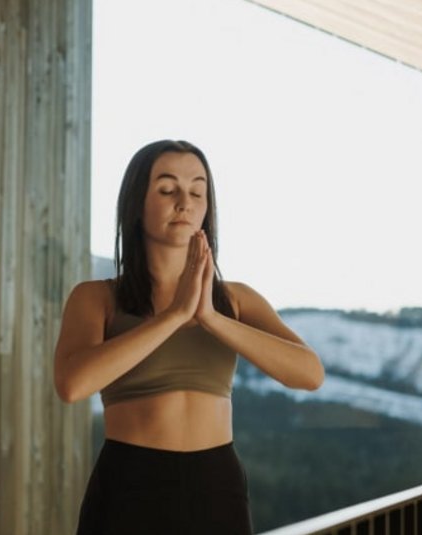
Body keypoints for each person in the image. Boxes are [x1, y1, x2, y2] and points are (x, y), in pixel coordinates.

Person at [53, 139, 325, 535]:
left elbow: (310, 373)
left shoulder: (235, 299)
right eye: (167, 189)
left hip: (217, 484)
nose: (185, 201)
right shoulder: (96, 298)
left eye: (197, 191)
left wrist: (211, 318)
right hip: (129, 483)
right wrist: (175, 316)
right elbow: (72, 385)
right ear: (136, 204)